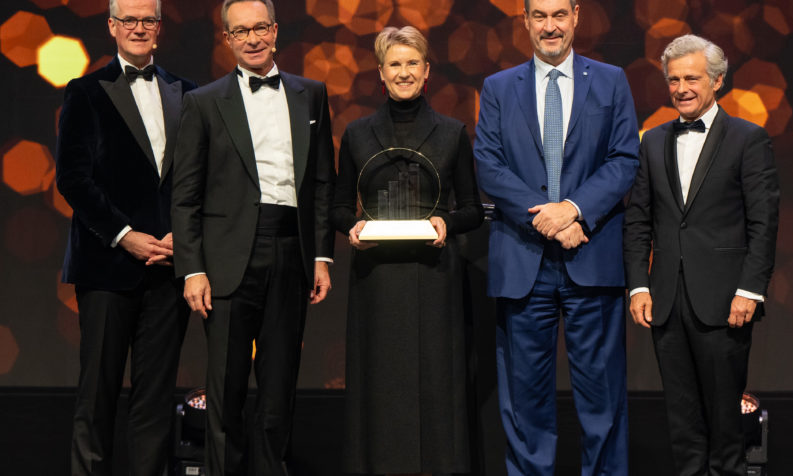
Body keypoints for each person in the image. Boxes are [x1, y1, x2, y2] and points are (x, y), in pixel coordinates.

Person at [473, 0, 640, 473]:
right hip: (524, 262)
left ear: (576, 16)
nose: (550, 26)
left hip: (592, 255)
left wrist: (573, 211)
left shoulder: (610, 80)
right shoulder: (499, 87)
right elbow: (489, 164)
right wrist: (545, 219)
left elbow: (624, 158)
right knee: (524, 401)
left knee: (602, 398)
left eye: (559, 15)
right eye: (540, 16)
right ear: (525, 21)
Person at [170, 0, 334, 474]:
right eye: (240, 32)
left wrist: (322, 256)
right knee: (226, 385)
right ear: (227, 39)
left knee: (280, 384)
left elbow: (323, 181)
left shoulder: (312, 94)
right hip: (225, 258)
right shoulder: (203, 102)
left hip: (291, 250)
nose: (252, 38)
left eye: (260, 27)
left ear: (276, 30)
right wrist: (193, 268)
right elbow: (185, 195)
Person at [330, 26, 484, 476]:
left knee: (437, 381)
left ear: (427, 71)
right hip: (376, 277)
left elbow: (473, 209)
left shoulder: (453, 132)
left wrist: (447, 222)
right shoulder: (357, 134)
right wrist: (352, 227)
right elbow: (339, 207)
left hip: (435, 275)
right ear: (381, 73)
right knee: (379, 383)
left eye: (412, 63)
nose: (404, 72)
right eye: (395, 64)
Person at [624, 34, 779, 476]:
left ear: (717, 81)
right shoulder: (652, 141)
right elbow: (638, 220)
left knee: (726, 423)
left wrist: (750, 290)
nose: (681, 88)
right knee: (682, 419)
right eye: (673, 80)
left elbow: (763, 223)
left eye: (691, 78)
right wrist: (638, 283)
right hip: (667, 301)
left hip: (726, 300)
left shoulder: (749, 139)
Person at [55, 0, 195, 474]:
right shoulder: (86, 91)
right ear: (112, 26)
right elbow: (74, 179)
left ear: (159, 28)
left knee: (155, 402)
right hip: (107, 266)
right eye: (129, 20)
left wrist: (185, 234)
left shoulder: (188, 93)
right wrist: (124, 234)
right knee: (97, 397)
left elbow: (201, 177)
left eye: (147, 20)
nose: (139, 28)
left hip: (170, 267)